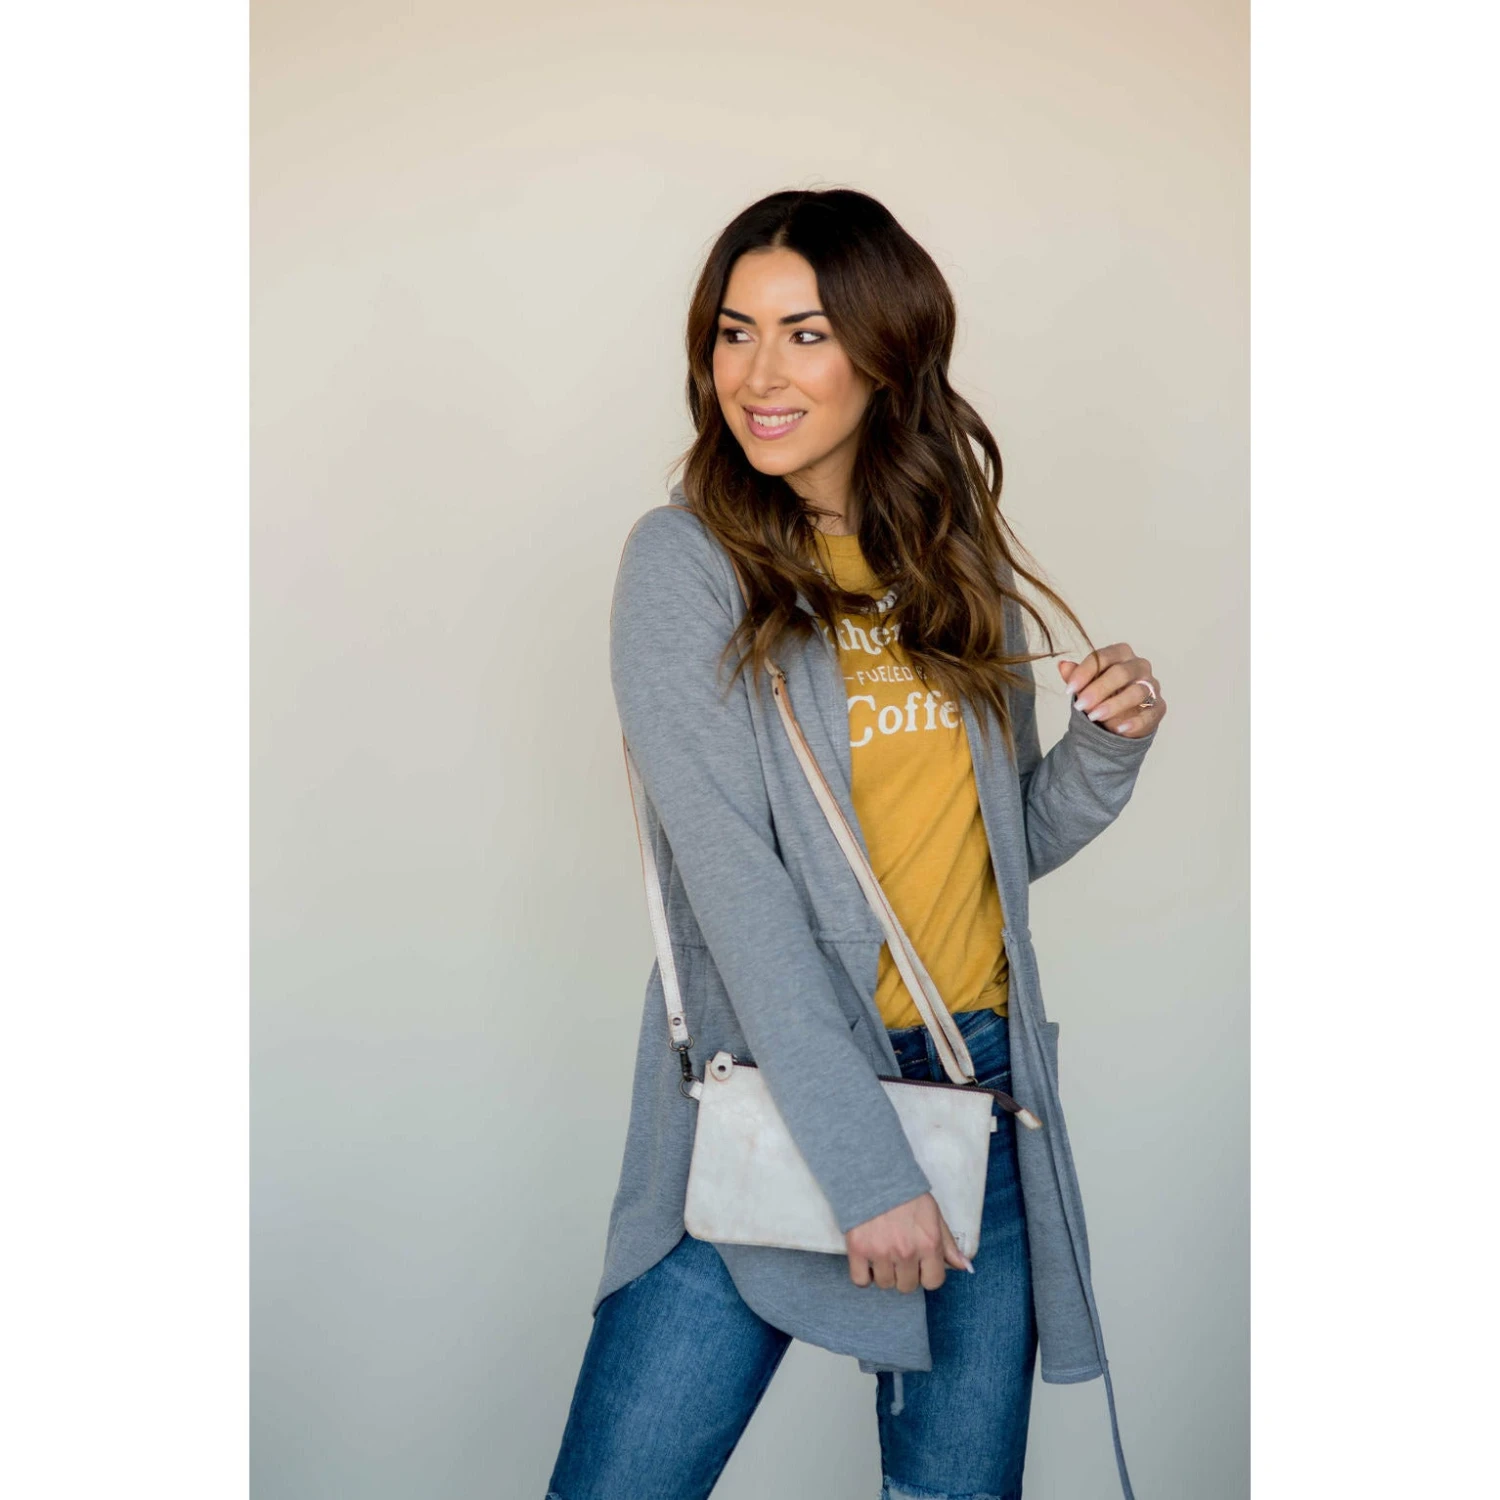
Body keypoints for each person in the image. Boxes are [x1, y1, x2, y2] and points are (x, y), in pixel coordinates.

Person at [545, 188, 1167, 1500]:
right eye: (735, 332)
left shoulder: (949, 558)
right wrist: (864, 1166)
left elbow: (986, 855)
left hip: (976, 1084)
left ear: (887, 353)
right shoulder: (686, 565)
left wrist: (1107, 747)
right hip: (781, 1089)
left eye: (806, 333)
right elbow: (738, 894)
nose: (758, 375)